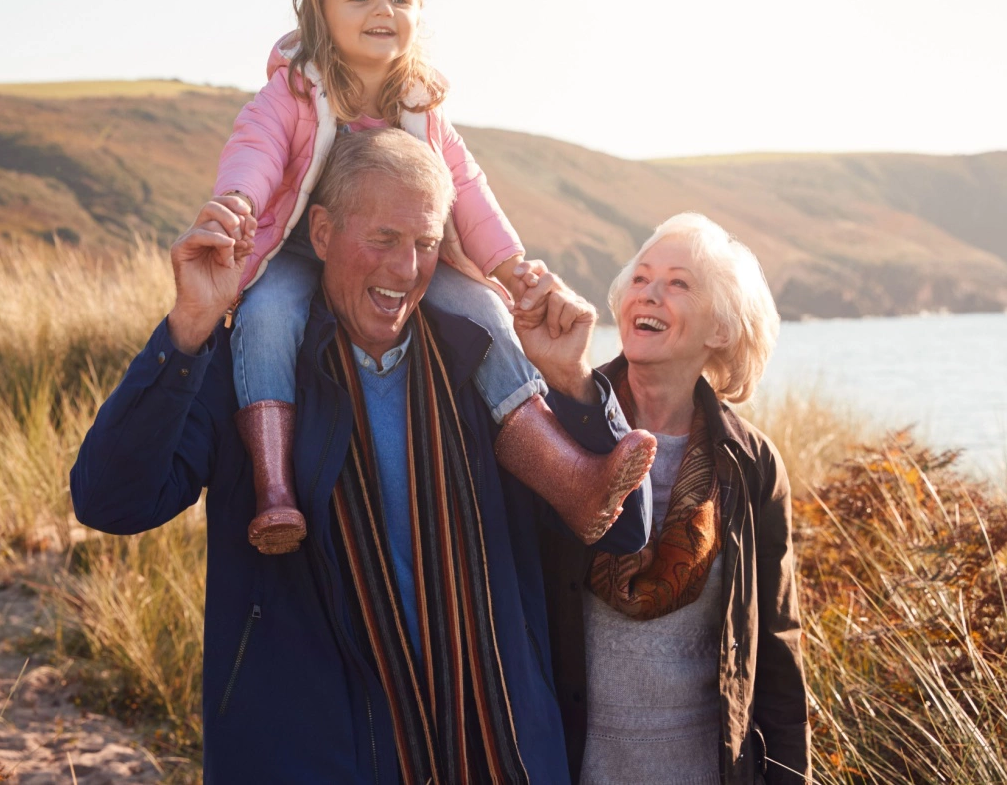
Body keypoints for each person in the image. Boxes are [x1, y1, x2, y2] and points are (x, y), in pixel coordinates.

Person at [71, 128, 651, 783]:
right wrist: (187, 328)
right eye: (382, 239)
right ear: (320, 234)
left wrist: (573, 385)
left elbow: (622, 533)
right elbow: (109, 502)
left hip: (500, 756)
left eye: (426, 243)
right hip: (315, 760)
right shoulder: (249, 373)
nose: (406, 269)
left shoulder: (486, 367)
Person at [210, 0, 655, 555]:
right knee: (266, 317)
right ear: (320, 9)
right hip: (299, 247)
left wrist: (507, 262)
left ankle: (570, 477)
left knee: (486, 311)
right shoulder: (295, 91)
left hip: (406, 253)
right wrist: (238, 203)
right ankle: (275, 489)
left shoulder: (422, 107)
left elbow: (466, 187)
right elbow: (255, 149)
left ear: (419, 16)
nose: (382, 11)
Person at [530, 214, 811, 784]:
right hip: (570, 768)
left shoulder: (751, 464)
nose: (649, 294)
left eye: (678, 284)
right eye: (641, 279)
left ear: (721, 329)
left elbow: (778, 649)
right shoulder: (556, 427)